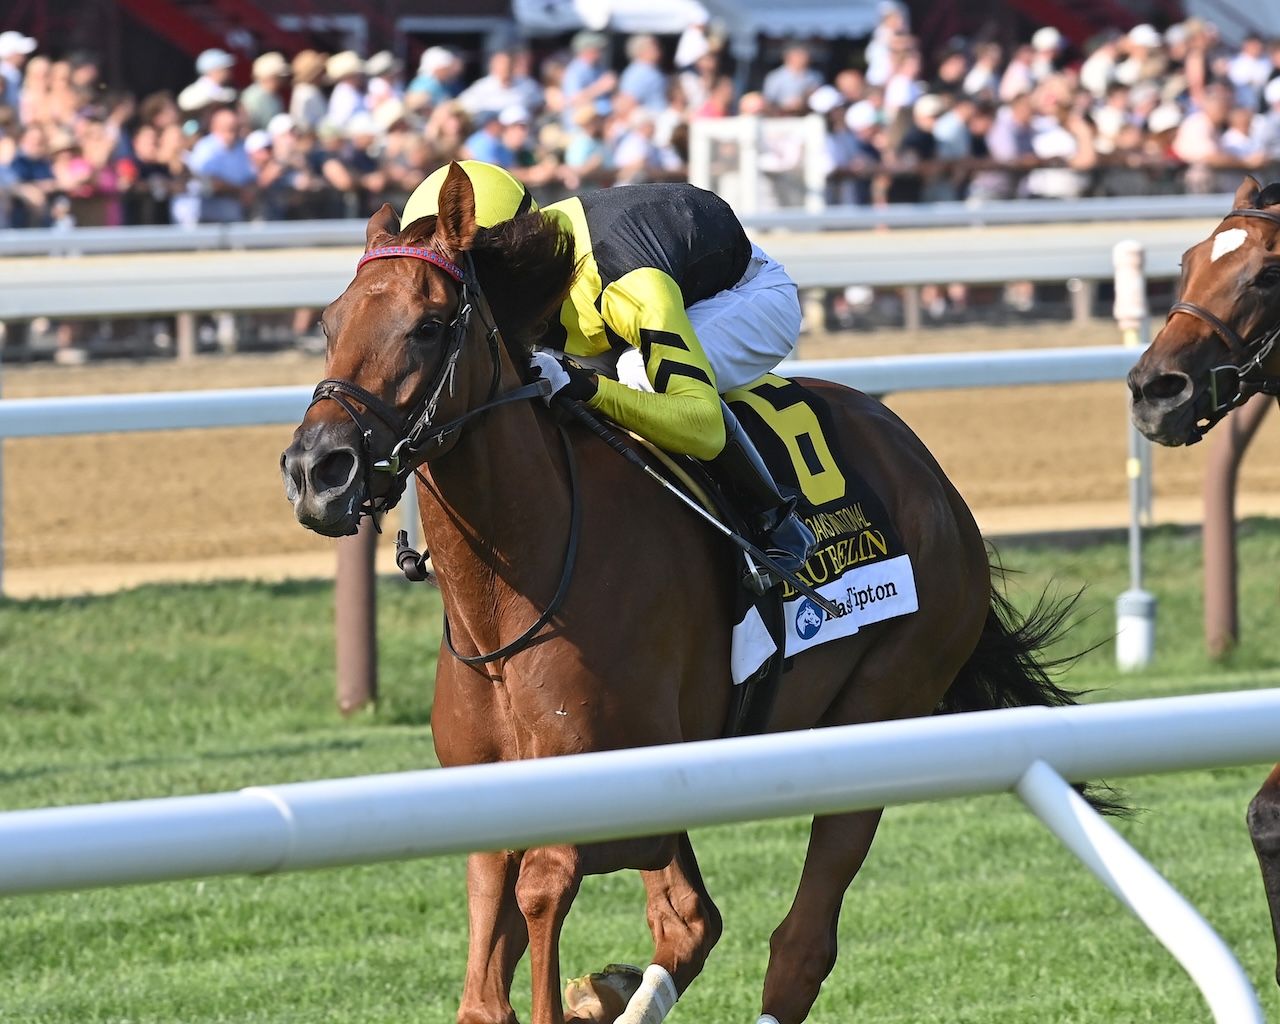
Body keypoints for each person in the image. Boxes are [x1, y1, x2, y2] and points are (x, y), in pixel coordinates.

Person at [400, 160, 815, 577]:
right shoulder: (522, 278)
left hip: (747, 293)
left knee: (638, 371)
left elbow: (703, 426)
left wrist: (589, 386)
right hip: (637, 297)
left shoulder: (629, 284)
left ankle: (776, 521)